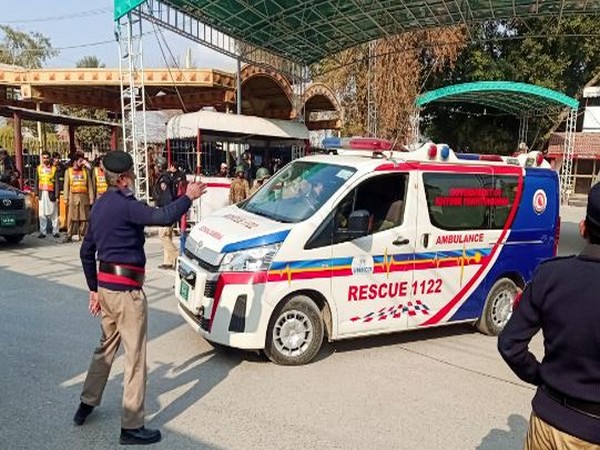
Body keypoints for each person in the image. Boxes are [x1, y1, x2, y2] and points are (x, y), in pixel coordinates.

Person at [75, 150, 206, 445]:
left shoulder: (99, 206)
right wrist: (189, 197)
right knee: (134, 358)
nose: (135, 177)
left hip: (107, 290)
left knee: (105, 348)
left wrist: (93, 289)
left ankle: (85, 404)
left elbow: (86, 252)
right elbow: (162, 216)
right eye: (132, 173)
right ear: (122, 179)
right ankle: (131, 426)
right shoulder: (125, 206)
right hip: (127, 293)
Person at [498, 183, 600, 449]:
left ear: (583, 227)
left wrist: (542, 375)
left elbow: (510, 344)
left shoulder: (550, 275)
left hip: (546, 420)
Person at [153, 162, 182, 270]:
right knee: (168, 235)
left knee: (163, 235)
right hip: (174, 209)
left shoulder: (164, 178)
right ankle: (168, 261)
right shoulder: (177, 177)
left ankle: (176, 255)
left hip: (167, 211)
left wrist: (164, 209)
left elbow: (166, 196)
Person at [63, 152, 94, 243]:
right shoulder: (68, 171)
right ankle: (69, 235)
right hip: (73, 197)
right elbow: (66, 185)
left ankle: (83, 235)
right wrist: (65, 197)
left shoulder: (85, 171)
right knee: (72, 217)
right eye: (80, 161)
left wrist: (91, 198)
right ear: (75, 161)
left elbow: (90, 185)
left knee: (84, 217)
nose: (82, 162)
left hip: (84, 197)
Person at [35, 150, 60, 238]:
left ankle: (55, 231)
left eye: (47, 158)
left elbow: (57, 183)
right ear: (42, 158)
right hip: (42, 194)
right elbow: (36, 181)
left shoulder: (54, 169)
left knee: (54, 213)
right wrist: (36, 194)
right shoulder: (38, 168)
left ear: (50, 158)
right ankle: (43, 232)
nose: (45, 160)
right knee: (41, 214)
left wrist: (57, 196)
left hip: (51, 194)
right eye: (44, 158)